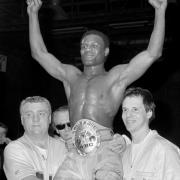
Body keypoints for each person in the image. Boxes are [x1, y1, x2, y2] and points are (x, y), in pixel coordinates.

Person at [27, 0, 167, 179]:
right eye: (84, 46)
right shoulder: (70, 76)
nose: (87, 49)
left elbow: (152, 53)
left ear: (106, 51)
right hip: (74, 152)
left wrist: (160, 11)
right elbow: (39, 54)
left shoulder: (115, 77)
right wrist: (32, 14)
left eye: (94, 46)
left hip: (105, 151)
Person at [121, 87, 180, 179]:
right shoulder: (123, 154)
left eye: (135, 109)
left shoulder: (164, 150)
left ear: (149, 113)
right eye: (125, 110)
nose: (128, 115)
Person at [3, 96, 67, 180]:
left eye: (41, 114)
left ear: (49, 118)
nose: (35, 119)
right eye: (29, 114)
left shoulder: (64, 147)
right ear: (22, 120)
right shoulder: (14, 149)